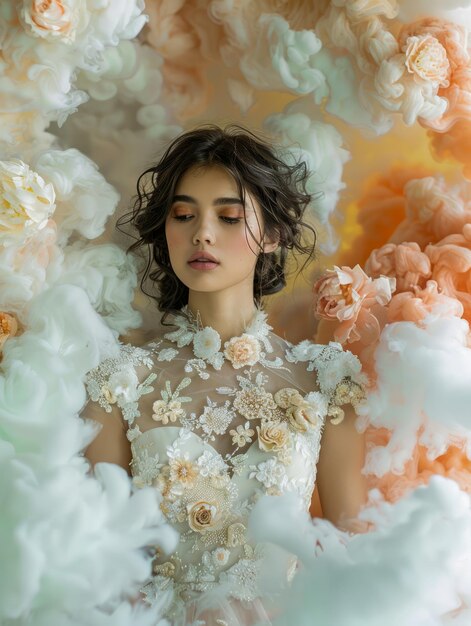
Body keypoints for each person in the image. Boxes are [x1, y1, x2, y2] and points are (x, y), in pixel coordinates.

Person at [82, 124, 368, 625]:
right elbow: (96, 563)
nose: (202, 233)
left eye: (229, 216)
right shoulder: (117, 383)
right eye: (184, 214)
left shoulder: (325, 380)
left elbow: (356, 556)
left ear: (274, 236)